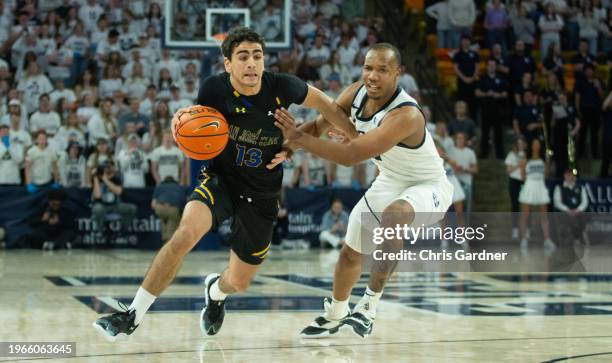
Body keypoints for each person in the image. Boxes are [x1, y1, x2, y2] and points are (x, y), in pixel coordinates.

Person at [93, 27, 364, 341]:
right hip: (221, 179)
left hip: (263, 193)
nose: (251, 63)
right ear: (228, 64)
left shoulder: (284, 86)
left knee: (239, 282)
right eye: (243, 57)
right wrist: (184, 128)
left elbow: (328, 107)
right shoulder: (213, 90)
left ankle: (216, 292)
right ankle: (133, 315)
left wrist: (353, 136)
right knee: (183, 236)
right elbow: (202, 135)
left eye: (257, 56)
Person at [274, 43, 453, 338]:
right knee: (349, 254)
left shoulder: (406, 114)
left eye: (382, 69)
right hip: (390, 179)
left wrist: (299, 139)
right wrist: (288, 147)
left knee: (394, 215)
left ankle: (368, 307)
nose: (372, 75)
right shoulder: (357, 92)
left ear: (398, 74)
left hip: (428, 185)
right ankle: (336, 312)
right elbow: (320, 125)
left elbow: (351, 156)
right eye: (368, 68)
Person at [518, 138, 554, 252]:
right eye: (534, 143)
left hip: (541, 186)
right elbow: (522, 176)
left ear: (540, 146)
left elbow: (546, 175)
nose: (536, 146)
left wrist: (548, 163)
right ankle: (524, 239)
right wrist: (530, 183)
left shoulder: (544, 160)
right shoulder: (525, 160)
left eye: (538, 144)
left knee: (544, 215)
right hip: (529, 185)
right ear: (531, 146)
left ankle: (547, 240)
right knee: (525, 215)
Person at [90, 160, 137, 238]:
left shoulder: (116, 179)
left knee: (132, 208)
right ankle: (100, 231)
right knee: (97, 209)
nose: (107, 170)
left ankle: (123, 230)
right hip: (102, 205)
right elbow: (97, 196)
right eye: (105, 168)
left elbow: (119, 192)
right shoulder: (96, 179)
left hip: (115, 205)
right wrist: (95, 177)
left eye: (109, 167)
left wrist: (105, 180)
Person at [553, 169, 588, 245]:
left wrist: (578, 210)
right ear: (564, 176)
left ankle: (579, 236)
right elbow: (557, 203)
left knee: (583, 215)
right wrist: (567, 210)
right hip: (565, 212)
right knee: (565, 217)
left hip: (578, 212)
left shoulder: (580, 187)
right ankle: (570, 237)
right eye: (567, 174)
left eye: (570, 174)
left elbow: (585, 202)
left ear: (573, 176)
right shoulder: (559, 188)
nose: (569, 176)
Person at [152, 176, 186, 244]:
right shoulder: (179, 187)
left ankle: (165, 240)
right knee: (172, 222)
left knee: (163, 220)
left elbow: (153, 203)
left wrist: (158, 210)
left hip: (160, 207)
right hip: (173, 208)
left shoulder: (160, 186)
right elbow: (184, 201)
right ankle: (168, 243)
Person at [505, 137, 526, 240]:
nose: (520, 145)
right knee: (515, 205)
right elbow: (508, 170)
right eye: (519, 143)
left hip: (525, 181)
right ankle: (515, 230)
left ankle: (526, 230)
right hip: (514, 181)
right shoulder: (511, 155)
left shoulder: (528, 155)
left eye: (522, 143)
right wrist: (519, 164)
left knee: (526, 207)